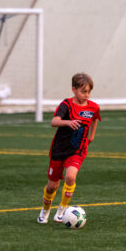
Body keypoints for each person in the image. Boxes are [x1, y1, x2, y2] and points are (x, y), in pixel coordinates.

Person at [37, 73, 101, 224]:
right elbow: (54, 121)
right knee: (52, 187)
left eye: (89, 92)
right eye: (83, 91)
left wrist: (91, 136)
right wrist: (68, 122)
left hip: (77, 150)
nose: (87, 95)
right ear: (74, 89)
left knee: (71, 177)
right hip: (59, 150)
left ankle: (61, 211)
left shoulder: (93, 107)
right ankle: (45, 210)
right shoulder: (66, 105)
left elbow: (95, 118)